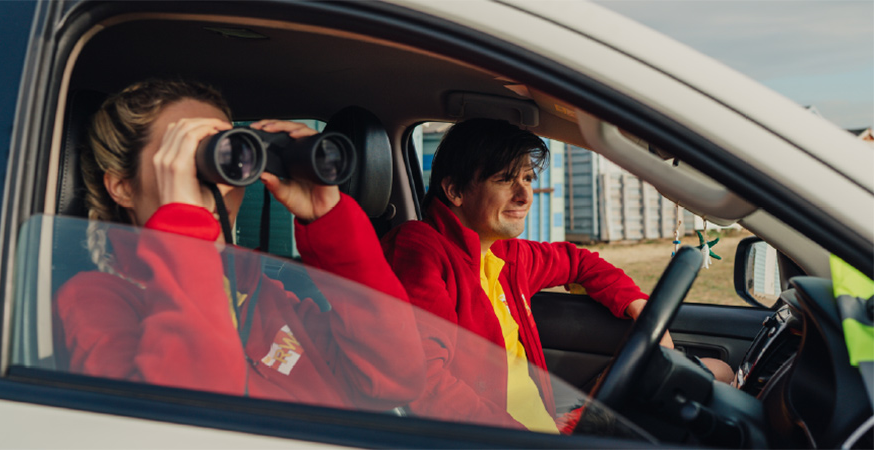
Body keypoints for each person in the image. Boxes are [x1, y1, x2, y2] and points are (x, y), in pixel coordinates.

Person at [54, 79, 425, 411]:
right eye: (187, 164)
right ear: (123, 186)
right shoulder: (93, 302)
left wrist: (330, 221)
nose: (220, 187)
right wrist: (184, 231)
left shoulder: (260, 294)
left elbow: (395, 380)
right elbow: (189, 424)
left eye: (228, 158)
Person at [381, 118, 733, 433]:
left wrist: (637, 304)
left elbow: (578, 261)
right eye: (505, 179)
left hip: (549, 429)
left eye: (528, 178)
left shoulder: (503, 252)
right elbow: (427, 384)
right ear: (455, 191)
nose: (524, 195)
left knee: (716, 374)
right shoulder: (420, 250)